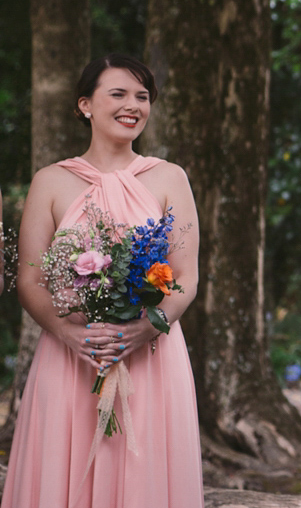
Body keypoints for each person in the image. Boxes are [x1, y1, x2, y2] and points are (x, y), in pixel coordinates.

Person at [4, 54, 203, 508]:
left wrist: (146, 326)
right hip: (72, 356)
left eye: (142, 96)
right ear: (85, 105)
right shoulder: (50, 181)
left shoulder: (170, 178)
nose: (132, 105)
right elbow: (31, 278)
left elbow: (186, 277)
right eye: (118, 94)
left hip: (152, 357)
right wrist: (68, 334)